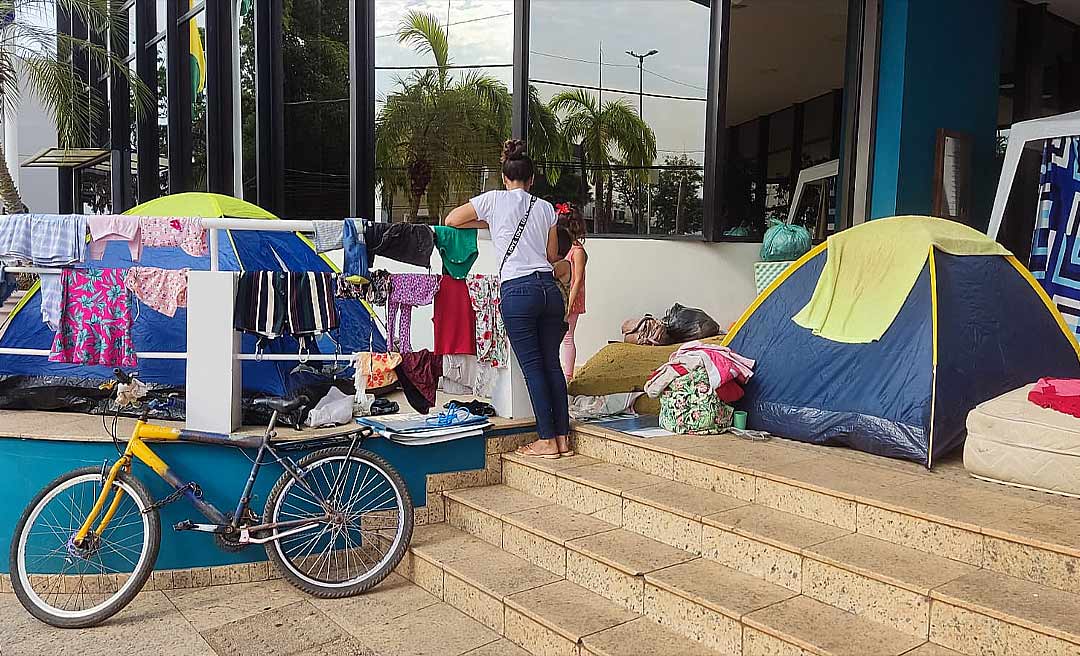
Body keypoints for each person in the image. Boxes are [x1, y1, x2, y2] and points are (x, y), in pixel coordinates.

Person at [445, 140, 571, 458]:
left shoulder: (493, 201)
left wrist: (490, 223)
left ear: (505, 178)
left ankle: (546, 440)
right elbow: (552, 255)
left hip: (518, 291)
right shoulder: (545, 209)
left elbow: (451, 220)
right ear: (531, 180)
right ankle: (563, 439)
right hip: (548, 290)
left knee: (532, 368)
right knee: (552, 365)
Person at [555, 203, 587, 382]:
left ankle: (568, 375)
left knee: (568, 337)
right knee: (562, 337)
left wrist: (569, 304)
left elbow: (577, 280)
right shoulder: (567, 250)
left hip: (571, 299)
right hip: (564, 297)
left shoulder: (578, 251)